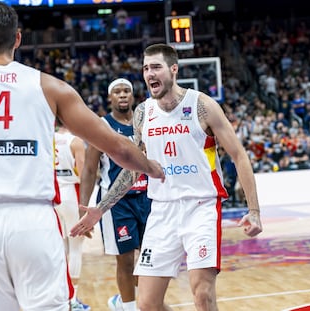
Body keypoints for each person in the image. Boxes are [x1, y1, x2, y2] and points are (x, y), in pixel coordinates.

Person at [0, 3, 164, 311]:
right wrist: (153, 168)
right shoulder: (51, 87)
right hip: (32, 220)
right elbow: (116, 147)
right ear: (18, 39)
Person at [71, 43, 263, 311]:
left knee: (203, 294)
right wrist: (100, 209)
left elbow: (239, 155)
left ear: (174, 69)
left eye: (156, 67)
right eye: (146, 68)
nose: (149, 73)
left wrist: (253, 210)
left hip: (201, 207)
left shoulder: (202, 106)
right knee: (147, 304)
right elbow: (134, 167)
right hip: (161, 210)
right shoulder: (143, 112)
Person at [80, 78, 150, 311]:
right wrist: (83, 207)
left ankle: (130, 302)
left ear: (133, 96)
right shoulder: (102, 126)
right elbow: (90, 169)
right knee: (126, 259)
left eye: (126, 91)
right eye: (117, 92)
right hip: (116, 203)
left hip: (148, 198)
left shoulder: (145, 123)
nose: (122, 95)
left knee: (149, 259)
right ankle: (129, 308)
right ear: (109, 97)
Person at [54, 118, 90, 311]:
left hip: (53, 194)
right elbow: (84, 174)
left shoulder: (48, 137)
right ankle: (73, 299)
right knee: (76, 248)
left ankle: (60, 296)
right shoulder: (75, 141)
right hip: (71, 194)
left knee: (60, 248)